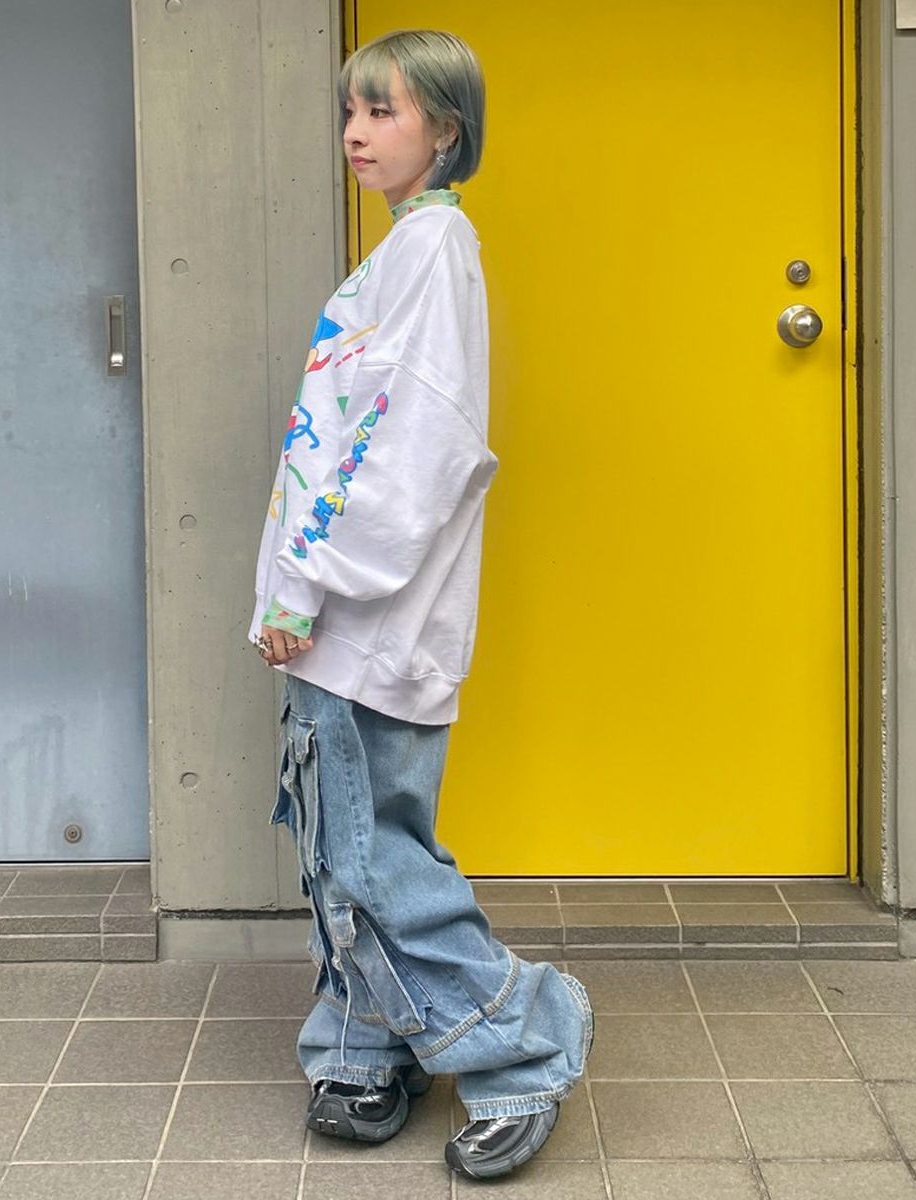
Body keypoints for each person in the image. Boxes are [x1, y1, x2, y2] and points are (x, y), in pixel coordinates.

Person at [249, 28, 594, 1182]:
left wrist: (311, 582)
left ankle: (527, 1038)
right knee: (344, 843)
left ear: (445, 129)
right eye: (351, 109)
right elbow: (340, 437)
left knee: (368, 856)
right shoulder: (403, 250)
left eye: (384, 110)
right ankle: (363, 1045)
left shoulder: (432, 250)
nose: (356, 131)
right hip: (347, 616)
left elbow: (413, 448)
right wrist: (293, 581)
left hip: (367, 614)